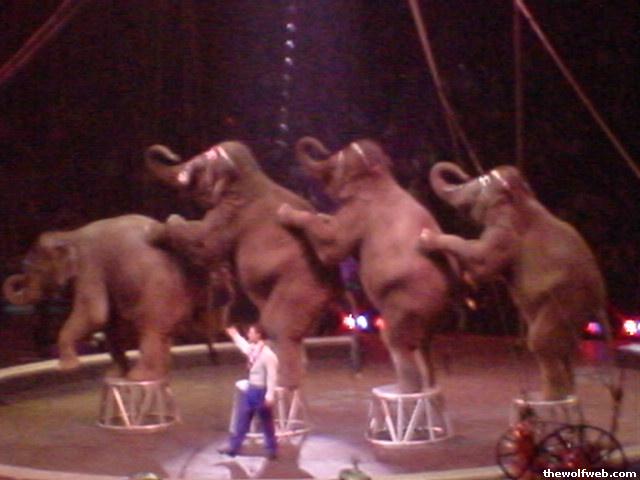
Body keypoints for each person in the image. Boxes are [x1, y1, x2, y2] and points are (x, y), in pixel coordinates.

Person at [219, 323, 278, 460]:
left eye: (251, 333)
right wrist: (235, 335)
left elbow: (272, 377)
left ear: (259, 335)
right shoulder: (253, 350)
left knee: (266, 421)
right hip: (251, 389)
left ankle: (272, 449)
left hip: (261, 391)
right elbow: (244, 346)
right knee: (243, 419)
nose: (249, 335)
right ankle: (234, 447)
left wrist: (269, 395)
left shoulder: (268, 355)